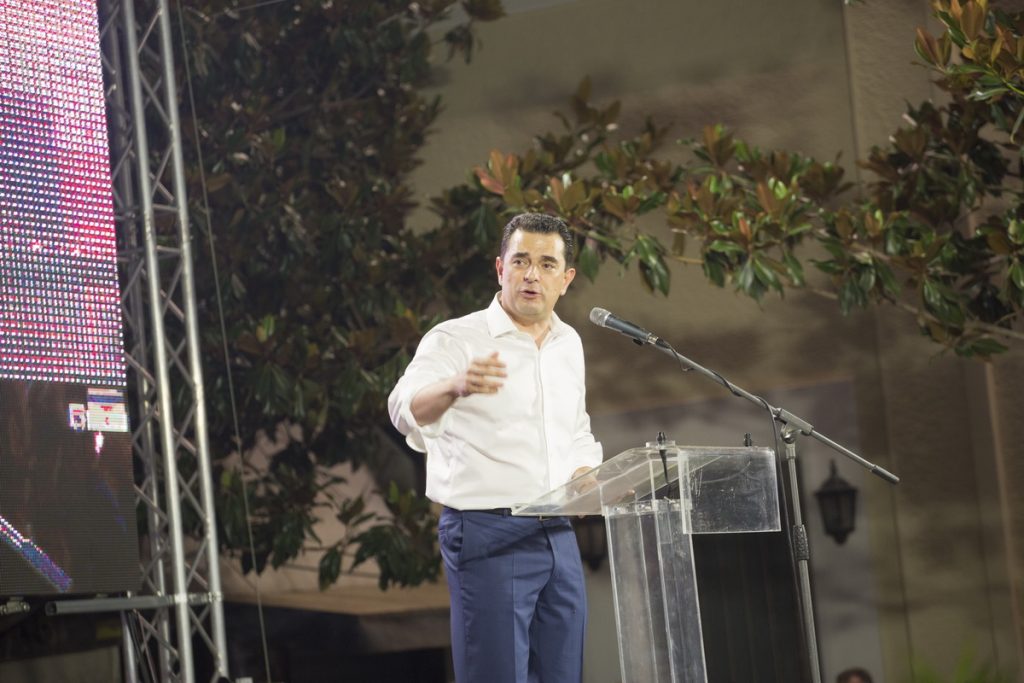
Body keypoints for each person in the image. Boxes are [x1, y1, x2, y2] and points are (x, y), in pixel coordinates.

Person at [388, 212, 603, 683]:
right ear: (500, 268)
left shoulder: (568, 343)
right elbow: (403, 408)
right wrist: (455, 386)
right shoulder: (456, 338)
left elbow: (576, 430)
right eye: (520, 261)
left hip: (558, 530)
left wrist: (584, 472)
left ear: (565, 279)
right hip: (489, 529)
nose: (532, 275)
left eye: (547, 264)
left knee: (564, 674)